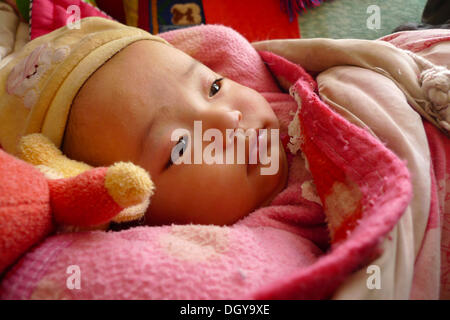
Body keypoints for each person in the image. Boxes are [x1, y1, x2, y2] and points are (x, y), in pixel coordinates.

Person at [0, 17, 288, 227]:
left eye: (214, 88)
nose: (227, 120)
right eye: (180, 147)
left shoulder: (305, 99)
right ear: (129, 210)